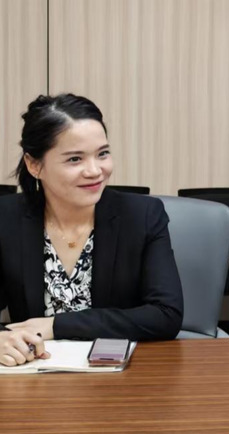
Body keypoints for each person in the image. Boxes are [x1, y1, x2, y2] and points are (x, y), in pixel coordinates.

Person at [0, 94, 183, 367]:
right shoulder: (6, 218)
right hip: (33, 372)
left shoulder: (143, 215)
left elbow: (166, 315)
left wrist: (56, 325)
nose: (95, 170)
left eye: (103, 154)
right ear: (34, 164)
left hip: (121, 371)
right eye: (75, 159)